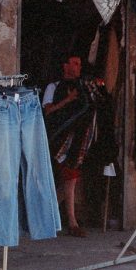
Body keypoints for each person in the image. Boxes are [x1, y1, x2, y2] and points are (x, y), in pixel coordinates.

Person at [43, 55, 88, 237]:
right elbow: (48, 111)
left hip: (76, 141)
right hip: (58, 140)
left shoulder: (82, 88)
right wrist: (68, 100)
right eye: (75, 63)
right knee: (68, 179)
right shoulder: (53, 87)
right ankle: (70, 221)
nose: (78, 67)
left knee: (70, 179)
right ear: (65, 65)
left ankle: (54, 216)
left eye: (80, 64)